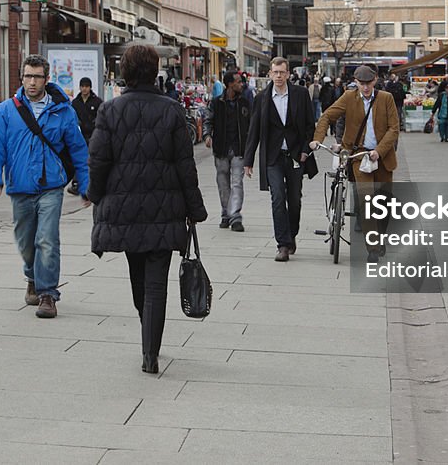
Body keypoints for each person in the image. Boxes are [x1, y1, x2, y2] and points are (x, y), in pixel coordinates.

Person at [87, 44, 207, 374]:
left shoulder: (109, 111)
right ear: (155, 71)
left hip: (125, 209)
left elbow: (97, 161)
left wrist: (94, 195)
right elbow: (186, 165)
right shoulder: (170, 110)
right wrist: (195, 209)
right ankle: (150, 351)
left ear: (124, 71)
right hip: (165, 208)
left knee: (137, 277)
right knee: (156, 283)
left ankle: (147, 332)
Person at [0, 55, 90, 319]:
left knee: (47, 239)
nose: (31, 82)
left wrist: (87, 184)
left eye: (37, 76)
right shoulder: (7, 110)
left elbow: (78, 149)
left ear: (46, 79)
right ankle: (32, 276)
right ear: (22, 78)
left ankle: (47, 294)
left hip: (51, 186)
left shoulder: (63, 111)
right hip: (20, 185)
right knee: (26, 243)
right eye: (27, 76)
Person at [311, 65, 400, 263]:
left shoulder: (386, 98)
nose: (365, 88)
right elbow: (327, 116)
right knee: (367, 201)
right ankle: (373, 248)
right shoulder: (348, 97)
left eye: (369, 83)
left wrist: (379, 150)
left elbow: (394, 129)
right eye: (362, 84)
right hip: (359, 156)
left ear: (375, 80)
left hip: (382, 157)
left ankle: (381, 237)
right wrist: (318, 139)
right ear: (356, 82)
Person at [244, 56, 316, 262]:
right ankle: (282, 244)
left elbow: (310, 126)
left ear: (288, 73)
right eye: (275, 72)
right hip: (273, 157)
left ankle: (291, 234)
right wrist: (248, 160)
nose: (278, 76)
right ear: (269, 74)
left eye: (282, 72)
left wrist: (305, 150)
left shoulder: (301, 95)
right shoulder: (262, 98)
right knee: (277, 199)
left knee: (294, 200)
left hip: (295, 155)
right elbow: (254, 131)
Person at [203, 72, 251, 232]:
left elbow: (251, 124)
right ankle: (226, 213)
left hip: (238, 149)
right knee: (223, 183)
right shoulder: (217, 103)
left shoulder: (245, 102)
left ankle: (235, 216)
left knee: (237, 182)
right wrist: (207, 135)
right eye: (238, 82)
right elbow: (208, 120)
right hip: (221, 149)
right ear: (230, 84)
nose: (241, 84)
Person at [67, 77, 102, 195]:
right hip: (79, 135)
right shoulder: (75, 103)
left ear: (90, 87)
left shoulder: (97, 102)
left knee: (92, 160)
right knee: (78, 159)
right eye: (82, 86)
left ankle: (93, 184)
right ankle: (76, 184)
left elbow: (101, 117)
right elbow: (71, 117)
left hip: (93, 135)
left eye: (86, 86)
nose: (84, 89)